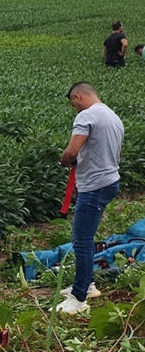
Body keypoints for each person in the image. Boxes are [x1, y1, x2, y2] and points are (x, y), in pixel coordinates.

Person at [57, 82, 123, 315]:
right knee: (86, 237)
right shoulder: (112, 116)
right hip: (109, 181)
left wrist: (64, 160)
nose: (75, 109)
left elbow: (73, 151)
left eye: (73, 104)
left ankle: (79, 297)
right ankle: (88, 283)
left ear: (78, 96)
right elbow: (118, 152)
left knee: (81, 240)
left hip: (94, 186)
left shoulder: (86, 116)